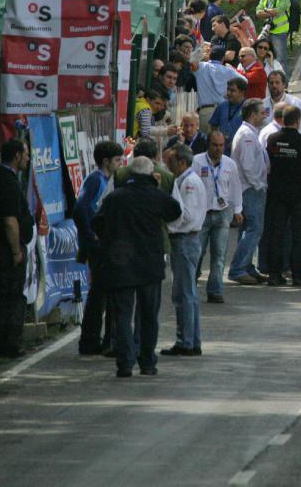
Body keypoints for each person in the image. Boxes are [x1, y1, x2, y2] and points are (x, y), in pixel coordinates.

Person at [93, 156, 181, 377]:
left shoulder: (115, 197)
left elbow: (97, 222)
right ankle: (147, 362)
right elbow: (175, 211)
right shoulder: (156, 195)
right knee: (148, 314)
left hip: (121, 261)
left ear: (131, 174)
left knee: (122, 314)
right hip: (150, 263)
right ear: (151, 175)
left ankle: (124, 362)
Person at [0, 138, 33, 359]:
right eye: (26, 154)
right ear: (17, 156)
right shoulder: (7, 182)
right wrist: (15, 250)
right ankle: (9, 345)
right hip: (4, 248)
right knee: (11, 296)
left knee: (4, 295)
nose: (28, 158)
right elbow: (10, 220)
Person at [75, 140, 124, 356]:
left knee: (102, 294)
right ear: (106, 161)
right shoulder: (95, 181)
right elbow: (81, 208)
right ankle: (90, 340)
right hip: (98, 247)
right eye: (117, 160)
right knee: (98, 295)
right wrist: (90, 236)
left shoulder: (109, 180)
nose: (120, 164)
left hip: (104, 244)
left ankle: (102, 339)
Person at [264, 106, 301, 286]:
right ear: (298, 120)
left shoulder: (272, 139)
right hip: (300, 195)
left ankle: (274, 274)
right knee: (298, 235)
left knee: (276, 234)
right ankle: (297, 275)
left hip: (277, 193)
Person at [161, 144, 206, 357]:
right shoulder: (187, 180)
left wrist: (167, 226)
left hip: (184, 240)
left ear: (181, 162)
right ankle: (191, 339)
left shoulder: (188, 182)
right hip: (185, 240)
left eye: (170, 163)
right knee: (188, 292)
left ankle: (186, 340)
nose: (168, 167)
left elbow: (186, 216)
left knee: (184, 293)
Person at [193, 131, 242, 304]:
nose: (218, 149)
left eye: (221, 145)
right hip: (202, 214)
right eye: (215, 145)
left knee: (219, 254)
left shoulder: (229, 164)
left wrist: (238, 210)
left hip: (222, 213)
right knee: (197, 252)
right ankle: (191, 285)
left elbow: (236, 188)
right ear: (209, 145)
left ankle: (215, 290)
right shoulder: (197, 162)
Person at [227, 99, 268, 286]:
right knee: (254, 228)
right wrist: (258, 184)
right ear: (252, 115)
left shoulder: (250, 133)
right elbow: (248, 166)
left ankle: (247, 266)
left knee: (248, 229)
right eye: (261, 112)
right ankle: (238, 268)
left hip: (250, 187)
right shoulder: (247, 136)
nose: (264, 115)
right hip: (250, 189)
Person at [255, 0, 293, 68]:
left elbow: (277, 11)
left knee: (280, 59)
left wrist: (266, 11)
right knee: (266, 57)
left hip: (280, 32)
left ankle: (283, 80)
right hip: (267, 32)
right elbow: (258, 13)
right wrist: (270, 12)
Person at [262, 70, 301, 136]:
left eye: (277, 82)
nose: (274, 86)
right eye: (271, 83)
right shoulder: (263, 105)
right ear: (268, 85)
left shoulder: (296, 103)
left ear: (284, 85)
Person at [209, 77, 250, 141]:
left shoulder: (248, 107)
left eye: (232, 91)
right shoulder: (222, 106)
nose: (228, 93)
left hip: (240, 147)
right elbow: (213, 126)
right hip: (222, 148)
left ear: (242, 92)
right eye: (228, 90)